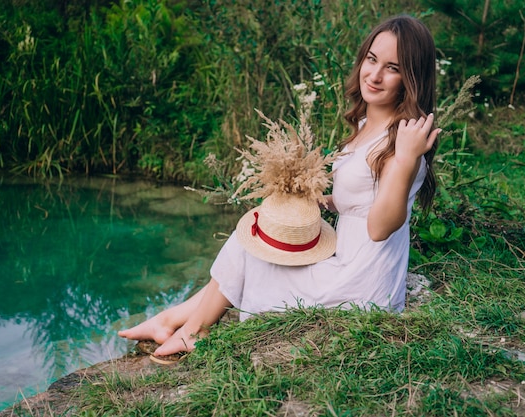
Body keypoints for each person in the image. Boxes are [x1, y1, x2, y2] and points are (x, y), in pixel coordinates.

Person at [119, 14, 440, 359]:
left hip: (362, 285)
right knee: (259, 232)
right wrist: (316, 199)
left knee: (252, 247)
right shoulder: (367, 124)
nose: (374, 75)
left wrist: (407, 159)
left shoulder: (402, 142)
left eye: (391, 68)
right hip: (346, 261)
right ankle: (173, 321)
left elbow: (379, 227)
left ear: (410, 79)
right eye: (371, 59)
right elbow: (361, 199)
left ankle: (190, 329)